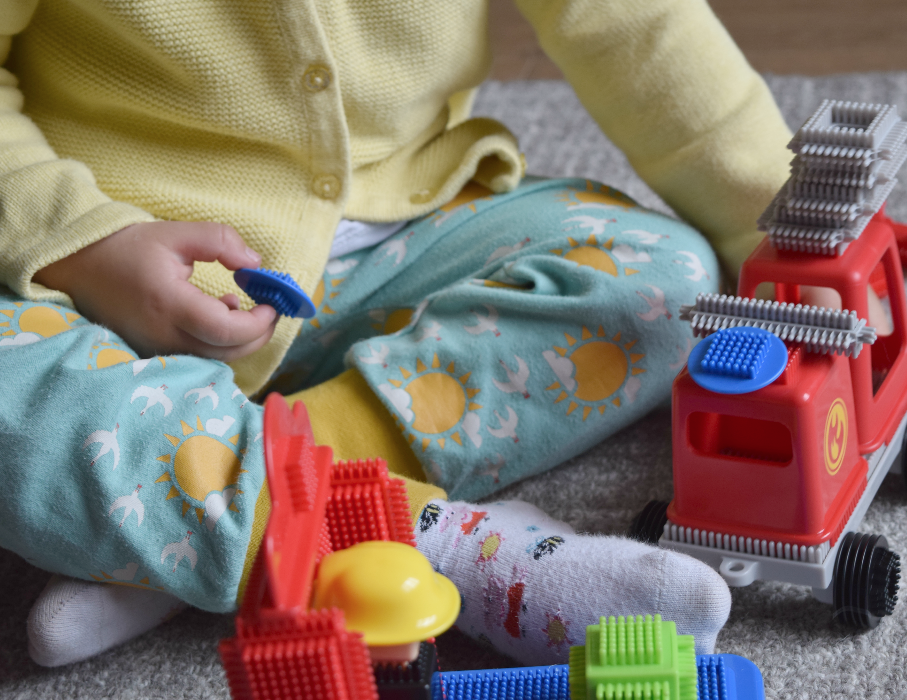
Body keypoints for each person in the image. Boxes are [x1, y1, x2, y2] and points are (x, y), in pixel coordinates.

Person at [0, 0, 793, 667]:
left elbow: (634, 21)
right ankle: (450, 554)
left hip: (405, 233)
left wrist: (791, 231)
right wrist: (84, 243)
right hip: (103, 279)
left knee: (668, 279)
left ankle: (198, 505)